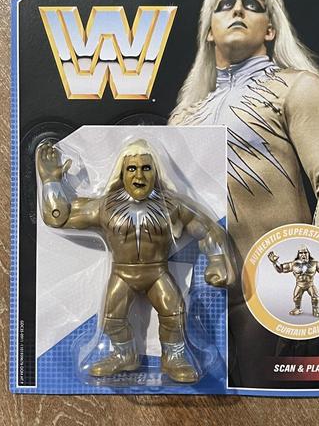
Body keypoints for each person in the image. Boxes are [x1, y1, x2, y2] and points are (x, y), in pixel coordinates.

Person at [169, 0, 319, 386]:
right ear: (209, 31)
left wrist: (310, 280)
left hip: (271, 293)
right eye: (225, 4)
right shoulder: (184, 116)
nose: (238, 8)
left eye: (252, 4)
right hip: (198, 297)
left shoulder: (298, 88)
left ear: (270, 29)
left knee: (274, 405)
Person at [36, 138, 235, 383]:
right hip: (123, 274)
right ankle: (124, 355)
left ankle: (173, 358)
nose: (139, 175)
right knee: (111, 318)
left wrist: (217, 260)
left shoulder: (172, 205)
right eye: (132, 168)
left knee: (174, 313)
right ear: (122, 173)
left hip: (157, 273)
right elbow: (59, 217)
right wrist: (51, 182)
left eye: (145, 168)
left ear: (156, 172)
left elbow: (207, 229)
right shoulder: (104, 207)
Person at [268, 245, 319, 317]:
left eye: (305, 252)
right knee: (296, 298)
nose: (303, 255)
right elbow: (281, 269)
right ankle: (297, 309)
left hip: (310, 284)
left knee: (315, 297)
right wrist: (275, 262)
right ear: (298, 254)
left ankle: (315, 309)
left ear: (309, 253)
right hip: (299, 284)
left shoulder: (315, 264)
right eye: (301, 253)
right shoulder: (293, 264)